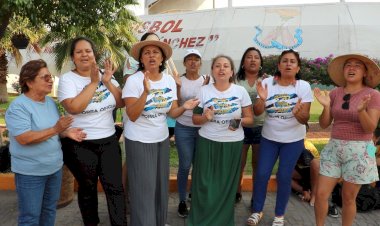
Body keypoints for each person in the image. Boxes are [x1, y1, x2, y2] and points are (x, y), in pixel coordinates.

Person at [122, 32, 199, 226]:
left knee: (159, 183)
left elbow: (172, 113)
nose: (151, 56)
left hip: (161, 138)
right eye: (146, 52)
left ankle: (158, 220)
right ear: (141, 58)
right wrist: (146, 93)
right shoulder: (133, 81)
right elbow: (132, 114)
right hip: (139, 140)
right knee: (143, 186)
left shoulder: (168, 81)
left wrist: (185, 107)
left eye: (155, 52)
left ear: (162, 57)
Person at [5, 59, 86, 226]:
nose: (51, 80)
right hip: (30, 173)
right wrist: (57, 129)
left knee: (49, 210)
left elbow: (52, 130)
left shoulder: (50, 102)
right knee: (30, 217)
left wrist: (67, 132)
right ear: (29, 82)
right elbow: (24, 138)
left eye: (51, 77)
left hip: (54, 169)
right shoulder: (18, 107)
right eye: (45, 77)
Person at [58, 37, 127, 226]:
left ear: (94, 54)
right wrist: (94, 83)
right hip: (80, 143)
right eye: (79, 52)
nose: (84, 55)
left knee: (115, 188)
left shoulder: (106, 74)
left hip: (108, 141)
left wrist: (108, 82)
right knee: (87, 189)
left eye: (88, 51)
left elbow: (121, 102)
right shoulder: (68, 79)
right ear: (73, 57)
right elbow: (74, 107)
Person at [247, 49, 313, 226]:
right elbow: (257, 112)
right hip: (269, 138)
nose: (288, 64)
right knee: (261, 174)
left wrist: (298, 113)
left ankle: (279, 215)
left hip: (293, 140)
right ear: (278, 65)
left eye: (292, 61)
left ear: (298, 67)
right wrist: (261, 99)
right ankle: (257, 211)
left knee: (284, 176)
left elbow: (304, 119)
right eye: (284, 61)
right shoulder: (268, 83)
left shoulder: (303, 87)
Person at [314, 54, 380, 226]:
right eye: (348, 65)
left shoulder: (373, 95)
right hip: (334, 147)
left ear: (365, 72)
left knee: (348, 198)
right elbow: (324, 124)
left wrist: (361, 111)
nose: (351, 68)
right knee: (321, 194)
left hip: (359, 150)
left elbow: (370, 128)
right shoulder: (335, 93)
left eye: (357, 65)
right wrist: (327, 106)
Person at [188, 55, 254, 226]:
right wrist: (206, 118)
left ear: (232, 71)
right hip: (207, 142)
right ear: (212, 71)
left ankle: (222, 221)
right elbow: (195, 119)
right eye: (218, 66)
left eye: (226, 66)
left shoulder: (240, 92)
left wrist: (237, 121)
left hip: (232, 144)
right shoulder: (204, 91)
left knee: (226, 185)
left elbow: (250, 118)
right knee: (204, 183)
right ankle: (200, 220)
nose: (222, 69)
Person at [173, 48, 209, 218]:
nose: (193, 62)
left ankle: (194, 195)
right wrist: (178, 87)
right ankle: (181, 200)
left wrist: (206, 88)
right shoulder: (179, 80)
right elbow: (177, 102)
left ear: (200, 63)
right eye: (189, 59)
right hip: (184, 126)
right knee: (185, 164)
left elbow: (209, 100)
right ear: (185, 63)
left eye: (196, 59)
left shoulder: (207, 80)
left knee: (199, 164)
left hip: (202, 128)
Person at [235, 47, 266, 203]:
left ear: (260, 62)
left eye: (256, 57)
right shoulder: (235, 80)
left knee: (257, 165)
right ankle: (236, 193)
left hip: (261, 127)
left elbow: (262, 109)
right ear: (243, 62)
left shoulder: (267, 81)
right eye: (249, 57)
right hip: (241, 126)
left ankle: (256, 197)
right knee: (239, 163)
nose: (253, 60)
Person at [291, 138, 320, 206]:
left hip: (314, 174)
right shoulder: (290, 144)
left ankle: (313, 195)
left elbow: (307, 170)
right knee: (281, 175)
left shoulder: (307, 146)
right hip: (302, 170)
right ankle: (305, 193)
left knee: (314, 165)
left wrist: (305, 188)